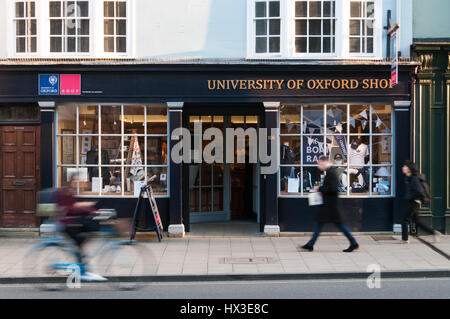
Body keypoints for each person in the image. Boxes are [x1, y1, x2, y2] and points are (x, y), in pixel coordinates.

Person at [301, 156, 359, 253]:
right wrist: (321, 188)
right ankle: (310, 244)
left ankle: (353, 243)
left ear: (324, 162)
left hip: (331, 206)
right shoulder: (330, 171)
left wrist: (319, 189)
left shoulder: (331, 172)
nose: (319, 166)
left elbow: (332, 189)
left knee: (338, 225)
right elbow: (330, 187)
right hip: (329, 205)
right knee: (320, 224)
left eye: (319, 164)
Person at [55, 173, 106, 281]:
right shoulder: (65, 192)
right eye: (75, 181)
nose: (78, 183)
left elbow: (75, 206)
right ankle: (82, 270)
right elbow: (70, 208)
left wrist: (91, 210)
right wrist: (90, 209)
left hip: (70, 223)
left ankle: (81, 268)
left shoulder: (68, 191)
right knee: (81, 240)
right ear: (70, 182)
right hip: (66, 224)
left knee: (81, 242)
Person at [401, 161, 441, 243]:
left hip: (414, 202)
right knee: (417, 221)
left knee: (405, 220)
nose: (403, 168)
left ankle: (405, 239)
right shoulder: (410, 177)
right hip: (414, 202)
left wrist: (411, 197)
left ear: (409, 169)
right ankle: (434, 232)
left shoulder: (414, 178)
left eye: (405, 166)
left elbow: (419, 190)